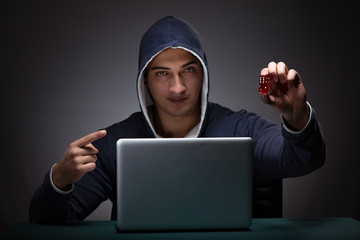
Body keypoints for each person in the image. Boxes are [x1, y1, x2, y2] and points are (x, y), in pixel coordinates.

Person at [29, 16, 326, 222]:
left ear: (204, 72)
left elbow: (304, 158)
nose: (178, 87)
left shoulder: (241, 128)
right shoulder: (113, 143)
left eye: (188, 70)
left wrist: (297, 116)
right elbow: (48, 222)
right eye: (162, 73)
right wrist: (60, 179)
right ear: (145, 79)